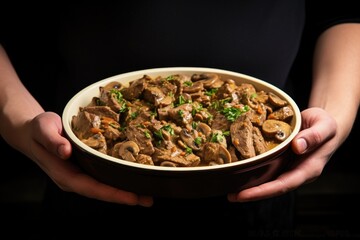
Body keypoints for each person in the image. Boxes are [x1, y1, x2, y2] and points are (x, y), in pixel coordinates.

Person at [0, 1, 359, 238]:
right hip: (86, 184)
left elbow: (341, 14)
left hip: (258, 188)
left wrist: (332, 115)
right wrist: (15, 115)